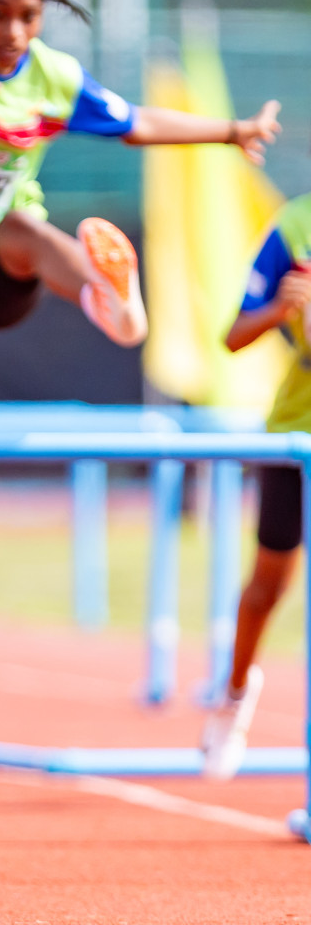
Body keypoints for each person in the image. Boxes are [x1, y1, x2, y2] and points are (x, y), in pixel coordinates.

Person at [0, 0, 281, 658]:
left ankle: (106, 298)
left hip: (1, 264)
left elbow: (135, 122)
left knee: (24, 223)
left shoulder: (51, 77)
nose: (13, 33)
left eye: (29, 16)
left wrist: (230, 131)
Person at [200, 197, 311, 778]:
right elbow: (234, 334)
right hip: (298, 432)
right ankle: (234, 694)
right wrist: (277, 309)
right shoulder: (295, 226)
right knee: (267, 586)